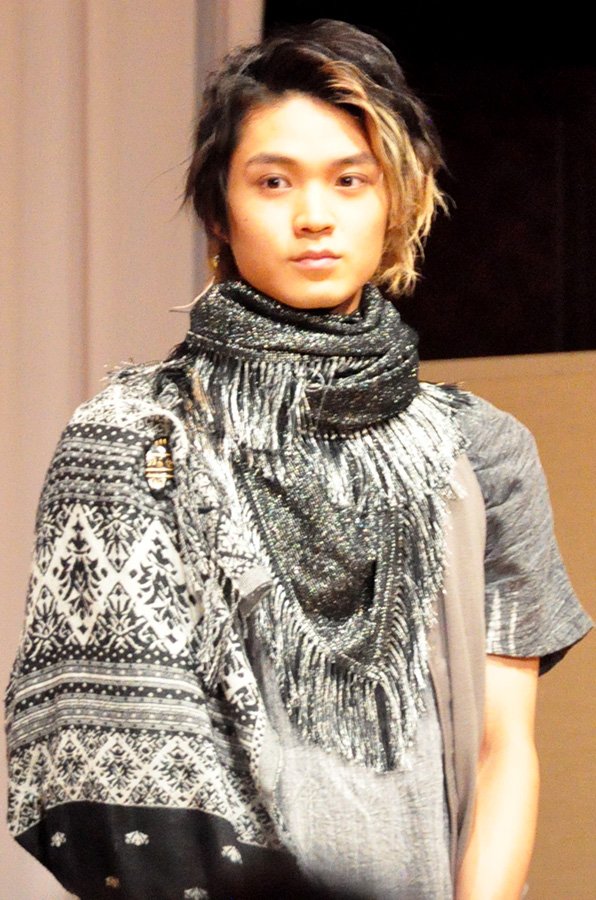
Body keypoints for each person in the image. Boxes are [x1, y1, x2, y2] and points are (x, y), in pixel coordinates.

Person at [5, 18, 591, 900]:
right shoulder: (134, 437)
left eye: (350, 180)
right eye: (273, 181)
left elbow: (503, 748)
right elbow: (90, 759)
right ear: (219, 209)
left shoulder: (483, 451)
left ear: (397, 200)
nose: (314, 215)